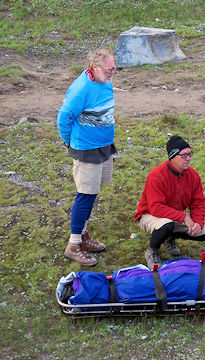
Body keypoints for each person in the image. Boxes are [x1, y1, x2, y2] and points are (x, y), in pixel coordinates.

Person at [57, 48, 117, 266]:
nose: (112, 72)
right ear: (95, 67)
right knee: (85, 195)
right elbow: (64, 117)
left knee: (92, 193)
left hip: (103, 146)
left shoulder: (103, 80)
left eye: (114, 68)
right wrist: (67, 141)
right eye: (109, 69)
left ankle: (82, 235)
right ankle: (73, 245)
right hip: (86, 149)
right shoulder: (81, 88)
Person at [134, 135, 205, 268]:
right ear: (172, 156)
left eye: (190, 154)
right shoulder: (156, 175)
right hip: (149, 215)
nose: (188, 158)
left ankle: (169, 239)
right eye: (184, 155)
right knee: (167, 225)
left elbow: (198, 202)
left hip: (172, 216)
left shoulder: (193, 175)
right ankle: (152, 250)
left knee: (204, 231)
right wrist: (184, 217)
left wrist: (197, 222)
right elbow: (155, 208)